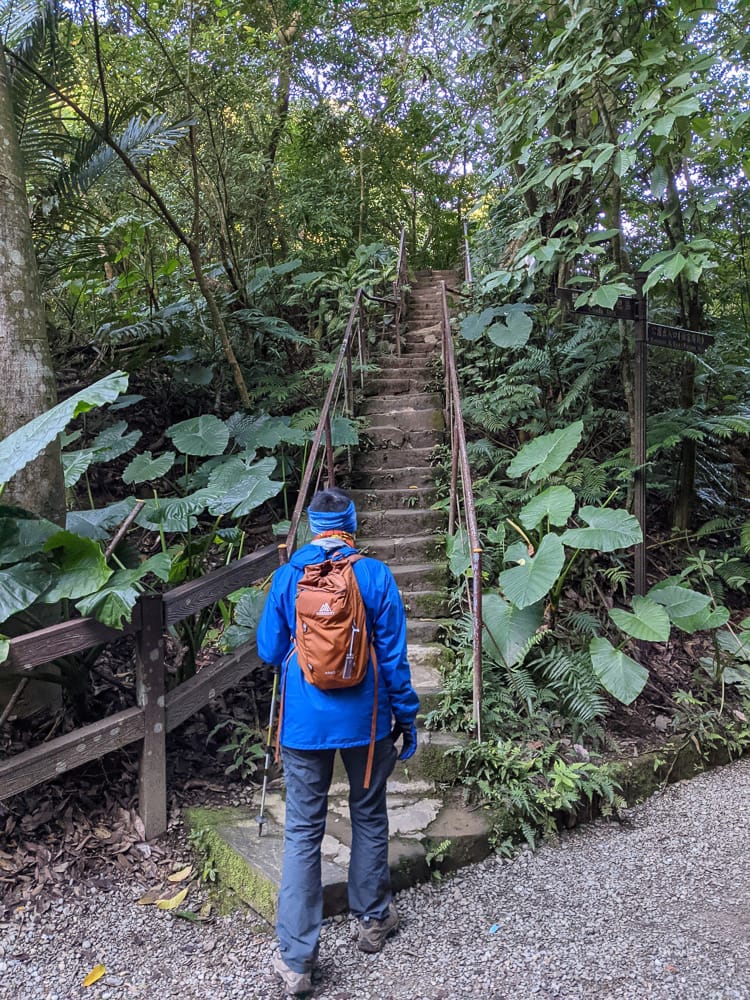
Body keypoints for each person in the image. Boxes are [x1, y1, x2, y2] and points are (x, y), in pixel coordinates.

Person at [256, 486, 419, 997]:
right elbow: (393, 658)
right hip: (367, 723)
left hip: (304, 728)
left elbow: (267, 650)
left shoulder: (288, 578)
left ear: (311, 526)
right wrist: (407, 718)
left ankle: (297, 961)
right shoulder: (373, 575)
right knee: (368, 813)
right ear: (351, 524)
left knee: (304, 831)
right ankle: (373, 921)